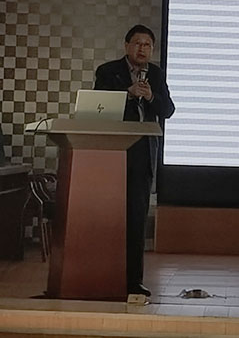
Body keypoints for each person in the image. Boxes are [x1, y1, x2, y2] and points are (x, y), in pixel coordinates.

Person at [94, 24, 175, 297]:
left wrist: (150, 95)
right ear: (126, 46)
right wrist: (128, 93)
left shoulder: (156, 74)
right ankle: (102, 275)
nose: (142, 49)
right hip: (114, 153)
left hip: (143, 154)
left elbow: (168, 109)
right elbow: (98, 106)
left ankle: (133, 281)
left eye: (147, 45)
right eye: (138, 43)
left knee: (137, 218)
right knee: (108, 218)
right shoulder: (108, 71)